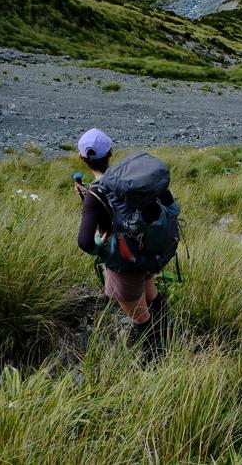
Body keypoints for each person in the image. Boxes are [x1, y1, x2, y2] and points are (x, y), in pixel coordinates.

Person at [74, 128, 171, 352]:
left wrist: (100, 245)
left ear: (82, 157)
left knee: (142, 321)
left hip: (124, 262)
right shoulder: (128, 180)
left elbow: (85, 242)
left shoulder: (94, 196)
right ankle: (170, 335)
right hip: (145, 251)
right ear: (111, 152)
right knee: (152, 297)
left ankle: (155, 360)